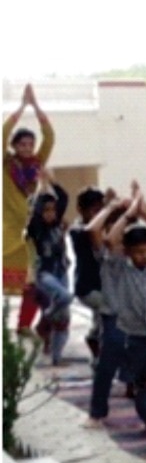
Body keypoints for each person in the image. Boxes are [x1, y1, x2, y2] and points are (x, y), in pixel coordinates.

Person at [86, 189, 146, 435]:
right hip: (116, 320)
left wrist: (144, 210)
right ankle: (97, 411)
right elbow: (98, 234)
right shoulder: (116, 261)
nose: (145, 256)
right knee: (107, 365)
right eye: (139, 252)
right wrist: (120, 212)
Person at [4, 85, 54, 329]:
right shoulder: (6, 164)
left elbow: (50, 137)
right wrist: (22, 106)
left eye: (30, 144)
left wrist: (36, 106)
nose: (27, 148)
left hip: (28, 235)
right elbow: (3, 132)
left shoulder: (37, 164)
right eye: (22, 144)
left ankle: (24, 326)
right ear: (14, 146)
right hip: (7, 231)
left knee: (31, 285)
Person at [26, 176, 73, 366]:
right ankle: (45, 319)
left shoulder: (57, 223)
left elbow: (63, 196)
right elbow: (34, 209)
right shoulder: (36, 227)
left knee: (64, 319)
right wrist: (40, 186)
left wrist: (51, 180)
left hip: (61, 271)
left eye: (53, 210)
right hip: (44, 274)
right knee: (65, 298)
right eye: (46, 210)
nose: (51, 213)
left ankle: (56, 357)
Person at [68, 188, 108, 360]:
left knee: (101, 319)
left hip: (99, 285)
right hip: (87, 287)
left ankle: (96, 345)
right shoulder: (78, 230)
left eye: (100, 210)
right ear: (80, 210)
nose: (98, 215)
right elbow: (93, 231)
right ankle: (96, 343)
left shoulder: (99, 227)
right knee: (111, 311)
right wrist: (109, 210)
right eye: (94, 210)